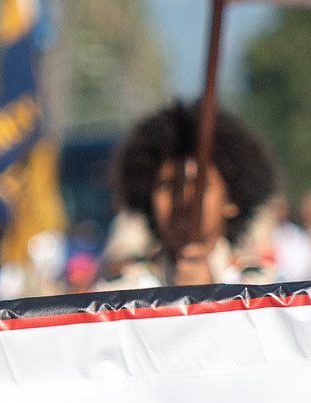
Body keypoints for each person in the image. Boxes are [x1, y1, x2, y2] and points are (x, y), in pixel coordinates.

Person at [93, 103, 285, 290]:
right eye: (168, 186)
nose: (184, 199)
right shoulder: (116, 299)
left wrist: (213, 299)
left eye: (199, 185)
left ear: (231, 200)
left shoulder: (268, 291)